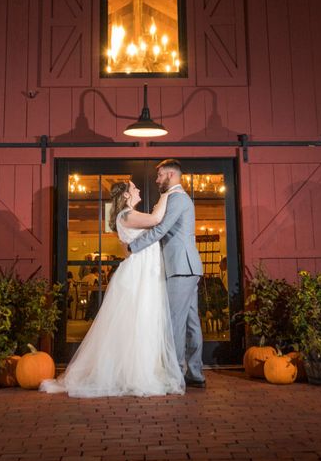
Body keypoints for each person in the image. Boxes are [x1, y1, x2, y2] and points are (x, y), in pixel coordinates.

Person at [40, 180, 185, 397]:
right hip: (138, 275)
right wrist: (168, 193)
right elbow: (156, 219)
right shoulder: (126, 215)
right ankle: (136, 374)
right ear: (126, 195)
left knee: (144, 322)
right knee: (138, 321)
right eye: (134, 188)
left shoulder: (130, 215)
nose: (138, 189)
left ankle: (142, 369)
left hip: (146, 273)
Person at [127, 159, 206, 388]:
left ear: (171, 175)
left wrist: (133, 247)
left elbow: (161, 229)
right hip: (188, 267)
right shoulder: (177, 197)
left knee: (175, 323)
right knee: (191, 323)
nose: (157, 179)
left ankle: (176, 375)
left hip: (181, 267)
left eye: (160, 175)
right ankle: (195, 374)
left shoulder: (177, 198)